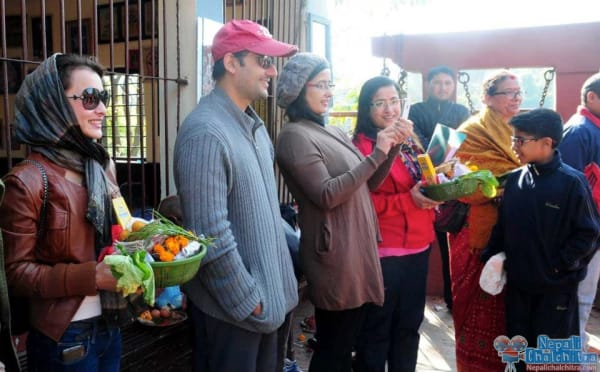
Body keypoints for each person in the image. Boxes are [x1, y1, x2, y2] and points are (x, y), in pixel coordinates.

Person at [173, 20, 299, 372]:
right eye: (263, 61)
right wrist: (249, 302)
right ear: (231, 63)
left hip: (266, 313)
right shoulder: (205, 132)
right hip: (233, 319)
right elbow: (209, 234)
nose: (272, 70)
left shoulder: (253, 127)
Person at [275, 53, 407, 372]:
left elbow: (369, 181)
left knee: (347, 340)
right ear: (297, 91)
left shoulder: (330, 130)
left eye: (329, 83)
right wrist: (377, 152)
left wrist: (392, 147)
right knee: (334, 347)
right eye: (320, 84)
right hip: (335, 255)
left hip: (355, 248)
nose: (329, 91)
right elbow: (327, 194)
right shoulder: (293, 136)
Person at [0, 53, 123, 371]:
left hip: (112, 324)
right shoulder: (26, 181)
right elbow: (16, 274)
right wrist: (91, 277)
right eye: (90, 98)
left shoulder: (102, 165)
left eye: (104, 97)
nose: (103, 109)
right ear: (53, 104)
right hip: (65, 338)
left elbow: (120, 229)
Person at [482, 108, 600, 371]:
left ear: (547, 143)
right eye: (513, 139)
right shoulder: (515, 180)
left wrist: (559, 267)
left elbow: (589, 234)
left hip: (555, 291)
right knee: (518, 357)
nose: (514, 146)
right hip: (518, 289)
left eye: (521, 140)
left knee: (550, 362)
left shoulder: (572, 183)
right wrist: (491, 257)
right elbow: (503, 228)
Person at [352, 76, 439, 372]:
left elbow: (422, 179)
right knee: (376, 331)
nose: (389, 109)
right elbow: (361, 203)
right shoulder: (363, 147)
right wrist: (408, 201)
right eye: (380, 103)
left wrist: (437, 189)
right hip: (384, 252)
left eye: (394, 101)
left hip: (419, 244)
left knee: (409, 328)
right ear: (367, 108)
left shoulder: (411, 140)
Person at [450, 70, 522, 371]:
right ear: (488, 98)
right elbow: (455, 177)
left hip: (516, 230)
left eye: (519, 93)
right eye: (509, 93)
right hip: (476, 234)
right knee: (475, 306)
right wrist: (503, 187)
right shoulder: (470, 130)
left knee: (510, 313)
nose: (516, 99)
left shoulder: (519, 130)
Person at [409, 65, 470, 311]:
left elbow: (464, 140)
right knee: (420, 244)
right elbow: (418, 142)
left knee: (450, 247)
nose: (442, 87)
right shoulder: (416, 110)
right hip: (420, 181)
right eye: (437, 83)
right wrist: (439, 151)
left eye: (447, 83)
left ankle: (452, 299)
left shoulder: (461, 110)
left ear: (454, 85)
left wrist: (441, 154)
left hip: (452, 183)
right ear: (428, 84)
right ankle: (415, 298)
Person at [558, 72, 600, 353]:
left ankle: (578, 346)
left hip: (594, 226)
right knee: (579, 295)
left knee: (585, 293)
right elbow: (570, 187)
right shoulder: (579, 130)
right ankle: (571, 355)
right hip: (584, 229)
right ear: (591, 97)